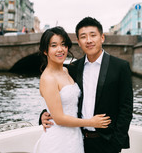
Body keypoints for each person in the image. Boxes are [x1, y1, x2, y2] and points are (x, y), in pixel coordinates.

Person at [41, 17, 133, 153]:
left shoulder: (120, 67)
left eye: (93, 35)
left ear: (102, 37)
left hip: (107, 142)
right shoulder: (72, 68)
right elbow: (59, 96)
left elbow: (126, 108)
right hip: (80, 138)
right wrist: (44, 114)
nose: (89, 40)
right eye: (83, 37)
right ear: (78, 42)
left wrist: (116, 144)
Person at [34, 26, 111, 153]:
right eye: (54, 45)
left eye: (63, 44)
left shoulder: (66, 70)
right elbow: (58, 118)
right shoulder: (48, 78)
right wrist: (91, 122)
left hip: (74, 137)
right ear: (45, 51)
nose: (60, 49)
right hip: (58, 140)